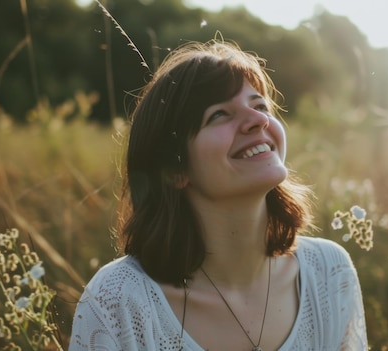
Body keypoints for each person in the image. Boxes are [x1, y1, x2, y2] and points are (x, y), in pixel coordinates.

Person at [69, 39, 368, 351]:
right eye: (220, 115)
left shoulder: (329, 273)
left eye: (260, 106)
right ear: (175, 169)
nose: (259, 120)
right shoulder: (118, 301)